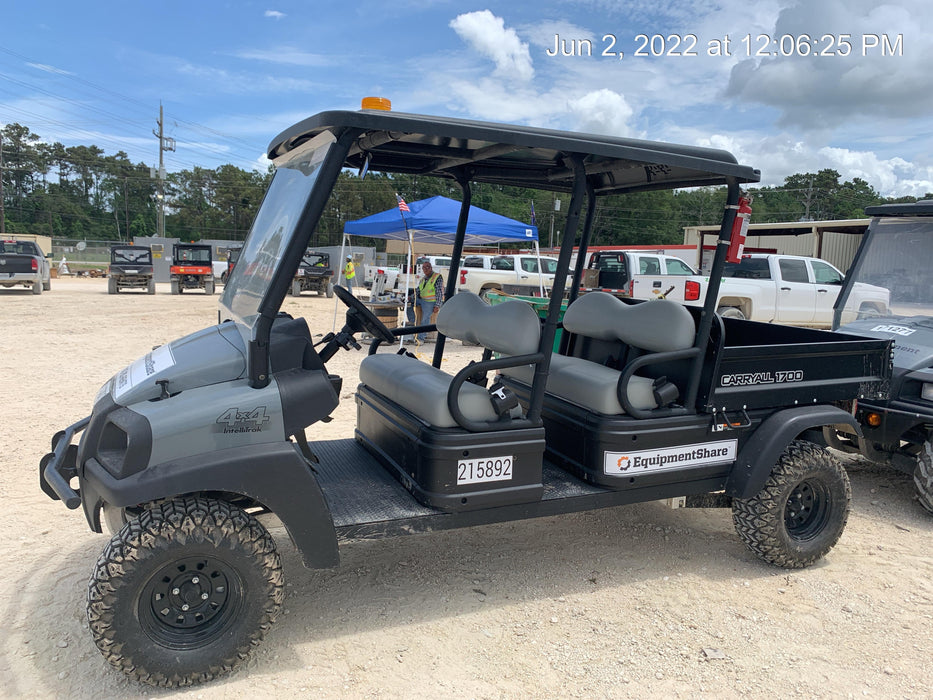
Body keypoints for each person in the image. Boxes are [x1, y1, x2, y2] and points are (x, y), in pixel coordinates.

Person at [414, 260, 444, 344]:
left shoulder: (437, 277)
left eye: (428, 267)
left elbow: (439, 292)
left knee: (425, 319)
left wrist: (437, 305)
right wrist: (412, 297)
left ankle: (421, 338)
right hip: (421, 299)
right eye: (424, 267)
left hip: (430, 301)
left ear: (431, 268)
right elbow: (418, 290)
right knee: (409, 306)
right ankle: (412, 324)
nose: (426, 269)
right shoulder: (423, 278)